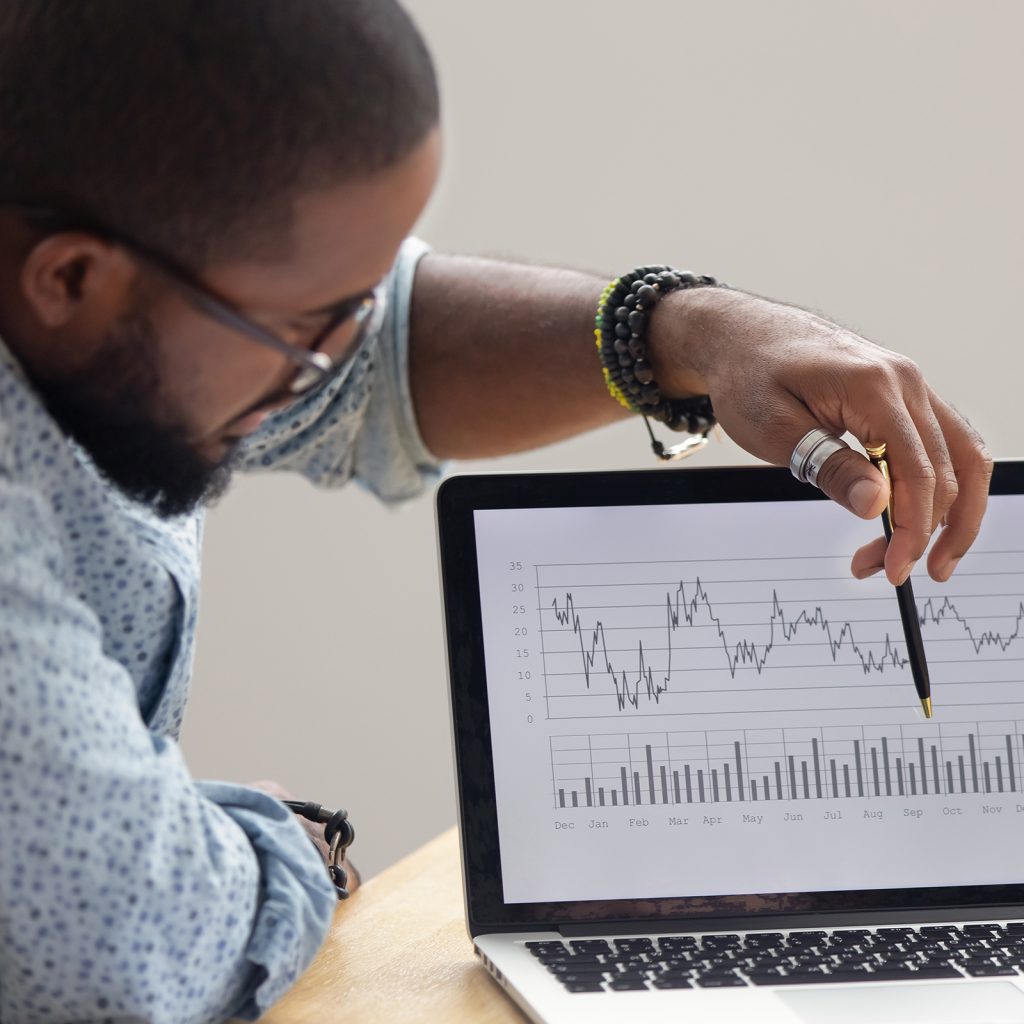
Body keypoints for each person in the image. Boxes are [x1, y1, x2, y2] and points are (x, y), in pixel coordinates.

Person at [0, 2, 992, 1022]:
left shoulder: (115, 271)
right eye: (306, 330)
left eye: (359, 304)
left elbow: (378, 368)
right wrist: (276, 848)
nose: (331, 366)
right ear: (72, 277)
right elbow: (118, 941)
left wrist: (691, 332)